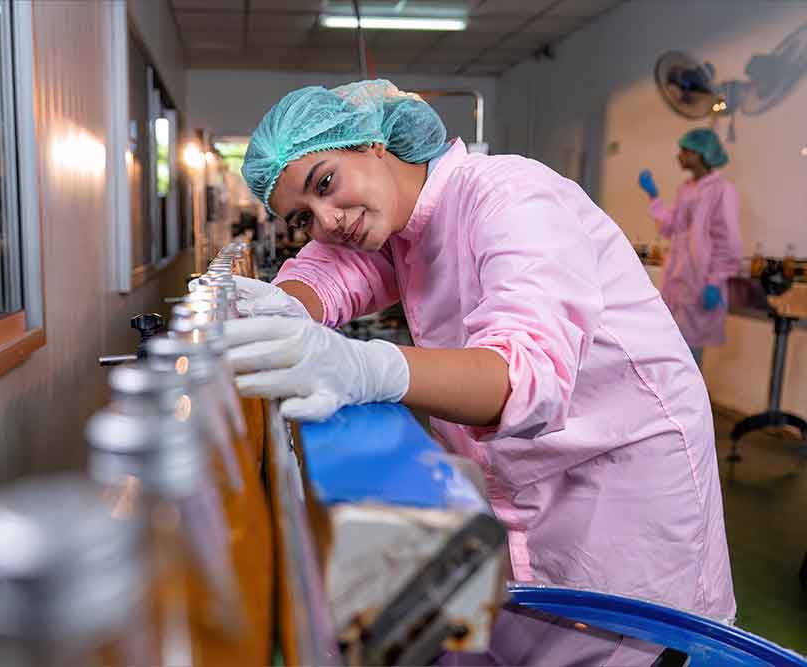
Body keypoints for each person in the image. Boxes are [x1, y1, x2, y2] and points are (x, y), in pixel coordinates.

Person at [216, 81, 735, 647]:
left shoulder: (509, 196)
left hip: (620, 481)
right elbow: (330, 269)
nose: (326, 219)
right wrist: (284, 304)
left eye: (324, 184)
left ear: (371, 145)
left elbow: (524, 377)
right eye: (302, 217)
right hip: (525, 482)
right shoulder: (402, 226)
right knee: (530, 634)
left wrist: (367, 368)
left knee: (623, 645)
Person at [638, 128, 743, 368]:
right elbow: (670, 227)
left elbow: (729, 240)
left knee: (690, 356)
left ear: (702, 154)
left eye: (685, 151)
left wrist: (716, 280)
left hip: (700, 281)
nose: (680, 156)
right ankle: (674, 404)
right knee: (672, 347)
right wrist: (653, 197)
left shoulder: (722, 191)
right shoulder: (686, 189)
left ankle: (690, 404)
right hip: (678, 277)